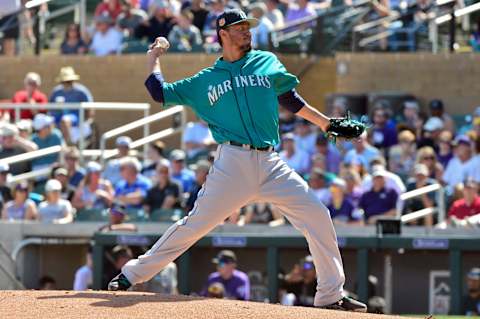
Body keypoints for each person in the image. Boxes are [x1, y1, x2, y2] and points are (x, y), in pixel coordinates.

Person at [109, 9, 367, 312]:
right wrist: (153, 58)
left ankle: (330, 295)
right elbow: (159, 93)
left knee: (317, 215)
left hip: (272, 163)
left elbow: (288, 97)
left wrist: (324, 123)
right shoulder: (204, 81)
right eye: (239, 27)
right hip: (233, 163)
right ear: (223, 33)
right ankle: (131, 274)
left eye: (248, 27)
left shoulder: (266, 61)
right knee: (194, 225)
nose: (247, 31)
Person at [49, 66, 94, 145]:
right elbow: (50, 107)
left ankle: (69, 146)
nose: (67, 83)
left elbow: (89, 108)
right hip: (58, 115)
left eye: (69, 81)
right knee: (47, 122)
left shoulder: (81, 91)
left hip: (76, 117)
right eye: (65, 81)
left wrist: (88, 120)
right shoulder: (56, 91)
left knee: (65, 120)